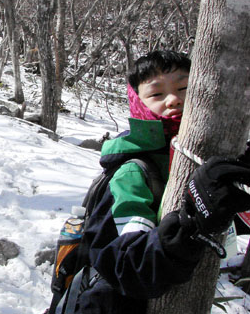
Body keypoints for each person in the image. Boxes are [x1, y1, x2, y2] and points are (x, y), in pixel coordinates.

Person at [75, 50, 250, 313]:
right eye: (156, 94)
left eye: (184, 88)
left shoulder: (212, 153)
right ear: (137, 102)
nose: (174, 100)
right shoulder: (132, 173)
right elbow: (127, 265)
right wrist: (191, 224)